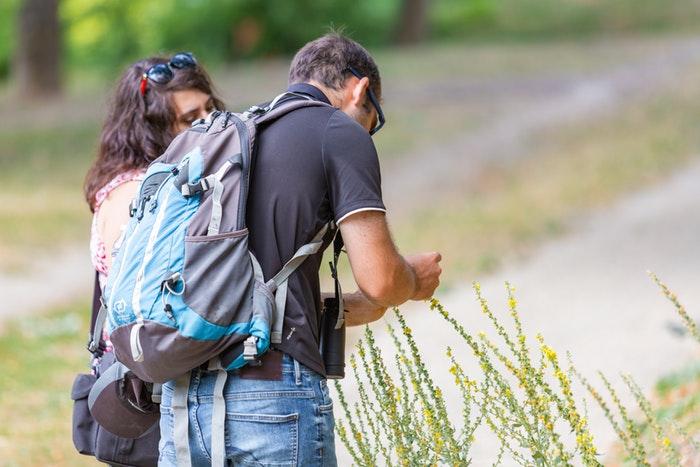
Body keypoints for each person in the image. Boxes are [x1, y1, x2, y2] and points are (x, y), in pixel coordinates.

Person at [156, 34, 442, 466]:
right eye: (374, 120)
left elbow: (246, 289)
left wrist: (349, 307)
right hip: (273, 394)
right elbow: (382, 280)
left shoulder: (229, 136)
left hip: (182, 397)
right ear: (359, 90)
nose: (369, 131)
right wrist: (413, 280)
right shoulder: (339, 132)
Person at [84, 53, 224, 373]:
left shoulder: (181, 183)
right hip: (139, 378)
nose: (210, 124)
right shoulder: (133, 193)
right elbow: (142, 303)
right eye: (191, 119)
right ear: (153, 128)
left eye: (210, 109)